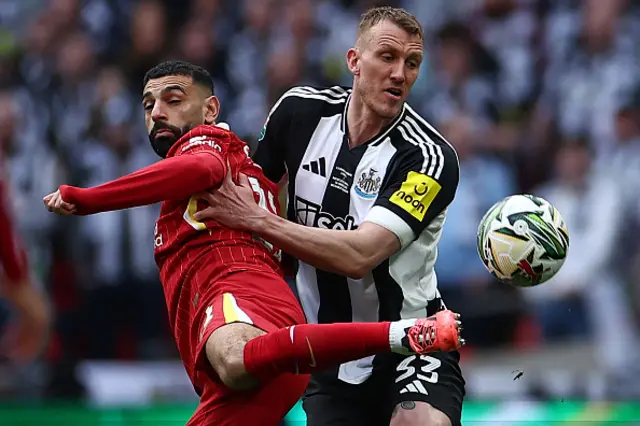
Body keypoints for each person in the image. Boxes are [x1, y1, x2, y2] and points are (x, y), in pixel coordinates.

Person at [43, 60, 463, 426]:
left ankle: (401, 333)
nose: (158, 112)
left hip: (237, 293)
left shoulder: (206, 143)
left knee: (234, 359)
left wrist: (88, 199)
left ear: (210, 109)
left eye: (173, 99)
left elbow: (201, 169)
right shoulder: (251, 166)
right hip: (287, 345)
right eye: (149, 105)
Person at [193, 7, 465, 426]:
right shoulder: (298, 113)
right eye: (387, 57)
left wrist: (260, 222)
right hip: (329, 354)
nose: (400, 73)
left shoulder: (427, 157)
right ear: (354, 61)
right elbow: (246, 198)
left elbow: (359, 257)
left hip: (413, 343)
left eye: (412, 64)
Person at [0, 151, 50, 362]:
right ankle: (13, 364)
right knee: (38, 315)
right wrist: (15, 270)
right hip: (8, 269)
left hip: (13, 264)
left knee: (38, 317)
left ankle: (14, 364)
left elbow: (9, 231)